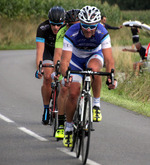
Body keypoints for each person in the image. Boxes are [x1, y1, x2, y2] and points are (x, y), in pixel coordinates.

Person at [60, 6, 117, 147]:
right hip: (76, 59)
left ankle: (96, 105)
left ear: (97, 24)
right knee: (73, 93)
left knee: (94, 70)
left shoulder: (102, 32)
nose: (88, 30)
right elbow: (65, 60)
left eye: (92, 27)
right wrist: (65, 76)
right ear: (80, 23)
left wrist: (111, 77)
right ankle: (68, 126)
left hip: (94, 56)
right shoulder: (71, 32)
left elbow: (109, 60)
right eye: (85, 26)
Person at [35, 6, 65, 125]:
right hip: (48, 51)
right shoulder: (43, 28)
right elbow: (39, 52)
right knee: (47, 77)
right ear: (49, 21)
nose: (56, 27)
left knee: (64, 80)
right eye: (53, 24)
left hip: (62, 52)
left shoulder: (66, 28)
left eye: (59, 25)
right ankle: (46, 108)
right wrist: (39, 69)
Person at [53, 9, 80, 139]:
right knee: (64, 88)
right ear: (66, 24)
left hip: (80, 58)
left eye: (76, 24)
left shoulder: (85, 30)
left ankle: (84, 112)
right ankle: (61, 125)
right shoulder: (62, 32)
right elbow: (58, 55)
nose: (73, 27)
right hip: (67, 59)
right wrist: (59, 70)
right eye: (70, 24)